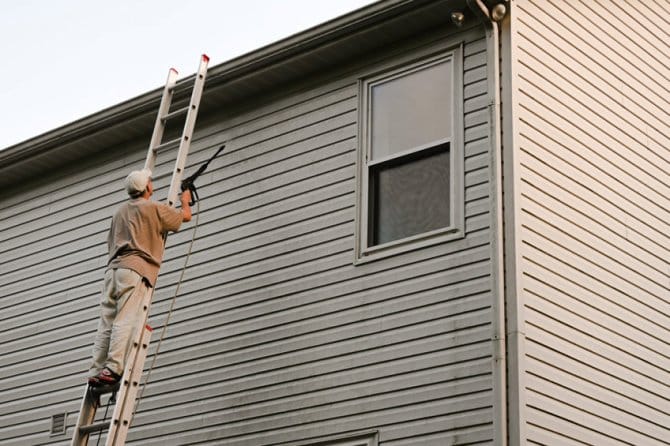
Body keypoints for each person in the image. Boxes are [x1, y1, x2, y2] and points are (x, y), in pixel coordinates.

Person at [88, 168, 191, 386]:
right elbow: (184, 218)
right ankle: (113, 368)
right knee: (125, 318)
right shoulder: (153, 208)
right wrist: (185, 200)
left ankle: (96, 369)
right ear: (146, 188)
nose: (152, 183)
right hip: (134, 269)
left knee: (106, 321)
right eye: (151, 181)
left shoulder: (119, 212)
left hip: (113, 269)